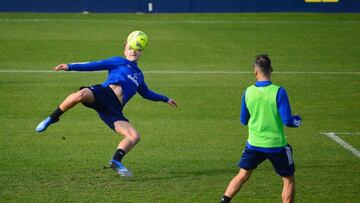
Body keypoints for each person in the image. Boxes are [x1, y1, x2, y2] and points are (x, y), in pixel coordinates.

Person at [35, 32, 177, 177]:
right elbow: (95, 65)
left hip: (113, 109)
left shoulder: (139, 76)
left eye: (137, 49)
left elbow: (147, 93)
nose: (133, 51)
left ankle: (116, 161)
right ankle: (53, 118)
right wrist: (70, 66)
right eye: (130, 48)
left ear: (141, 52)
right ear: (125, 48)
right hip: (102, 93)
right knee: (81, 94)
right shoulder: (118, 61)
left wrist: (165, 99)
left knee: (134, 136)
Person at [220, 54, 302, 203]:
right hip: (276, 145)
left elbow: (243, 120)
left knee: (242, 175)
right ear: (271, 69)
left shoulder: (248, 92)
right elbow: (288, 121)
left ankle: (224, 201)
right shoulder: (279, 92)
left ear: (255, 71)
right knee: (288, 179)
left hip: (254, 144)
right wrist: (298, 120)